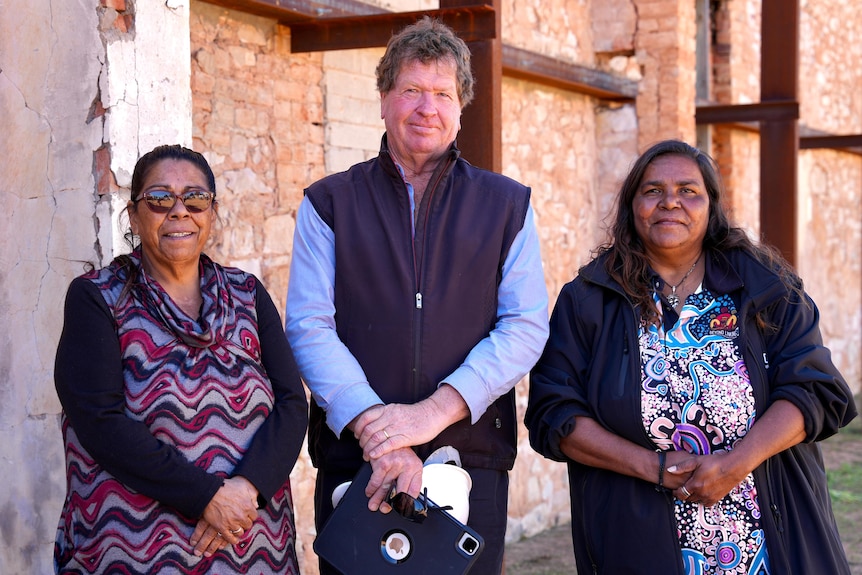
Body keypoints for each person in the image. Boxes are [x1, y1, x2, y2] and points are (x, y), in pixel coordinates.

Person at [285, 16, 549, 575]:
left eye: (442, 93)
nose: (426, 107)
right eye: (411, 90)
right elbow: (309, 326)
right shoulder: (329, 204)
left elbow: (525, 326)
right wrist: (382, 435)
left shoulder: (508, 207)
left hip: (470, 461)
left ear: (461, 106)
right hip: (360, 463)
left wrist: (431, 415)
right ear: (383, 99)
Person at [525, 139, 858, 574]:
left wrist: (733, 467)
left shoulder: (765, 286)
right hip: (636, 537)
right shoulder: (589, 299)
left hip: (769, 529)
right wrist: (656, 467)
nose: (670, 202)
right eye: (652, 191)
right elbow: (555, 414)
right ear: (632, 206)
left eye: (688, 190)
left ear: (711, 206)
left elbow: (815, 389)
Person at [54, 144, 308, 574]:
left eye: (195, 199)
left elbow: (291, 403)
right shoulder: (98, 297)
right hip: (136, 550)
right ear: (134, 217)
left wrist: (246, 490)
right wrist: (207, 496)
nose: (179, 211)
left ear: (210, 212)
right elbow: (100, 421)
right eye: (159, 199)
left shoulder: (246, 293)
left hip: (254, 541)